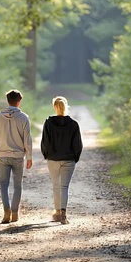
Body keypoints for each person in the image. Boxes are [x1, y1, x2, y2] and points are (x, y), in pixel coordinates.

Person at [0, 89, 32, 224]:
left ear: (8, 101)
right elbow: (27, 140)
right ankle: (14, 212)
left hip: (2, 155)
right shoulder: (24, 117)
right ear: (19, 102)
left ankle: (6, 210)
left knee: (4, 184)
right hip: (18, 156)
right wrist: (29, 157)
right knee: (18, 185)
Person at [41, 96, 83, 225]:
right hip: (68, 159)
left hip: (53, 159)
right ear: (66, 106)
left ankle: (57, 211)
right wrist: (75, 158)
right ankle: (63, 213)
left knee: (55, 186)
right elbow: (78, 145)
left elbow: (45, 143)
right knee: (64, 187)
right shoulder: (74, 124)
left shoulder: (48, 123)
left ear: (55, 107)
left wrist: (46, 155)